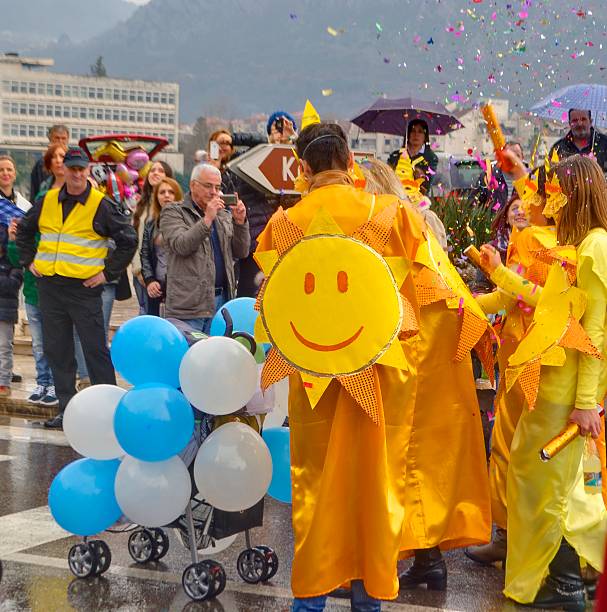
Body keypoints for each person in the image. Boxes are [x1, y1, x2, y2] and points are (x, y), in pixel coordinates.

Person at [255, 122, 424, 611]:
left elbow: (273, 302)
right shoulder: (392, 213)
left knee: (318, 485)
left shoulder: (282, 225)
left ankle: (309, 600)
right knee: (373, 488)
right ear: (351, 162)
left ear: (302, 169)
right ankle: (367, 599)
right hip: (379, 374)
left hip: (315, 381)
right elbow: (424, 285)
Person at [480, 154, 607, 609]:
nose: (547, 200)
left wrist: (587, 402)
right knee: (537, 482)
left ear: (575, 196)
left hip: (564, 394)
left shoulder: (594, 247)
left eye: (556, 192)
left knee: (548, 486)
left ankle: (567, 582)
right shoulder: (578, 245)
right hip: (551, 384)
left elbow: (594, 331)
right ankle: (562, 579)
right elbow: (550, 304)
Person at [362, 157, 492, 591]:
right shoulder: (415, 228)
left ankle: (391, 560)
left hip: (410, 358)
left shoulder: (384, 227)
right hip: (437, 360)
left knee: (398, 457)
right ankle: (426, 557)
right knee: (421, 460)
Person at [466, 156, 557, 566]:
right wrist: (462, 301)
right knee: (504, 449)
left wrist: (500, 273)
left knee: (534, 453)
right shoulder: (526, 241)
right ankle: (505, 534)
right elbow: (506, 299)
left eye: (533, 194)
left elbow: (542, 299)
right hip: (515, 360)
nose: (521, 203)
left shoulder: (563, 247)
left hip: (547, 364)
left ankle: (545, 546)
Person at [16, 147, 137, 429]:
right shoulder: (46, 201)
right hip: (50, 287)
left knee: (95, 350)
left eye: (82, 168)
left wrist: (107, 274)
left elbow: (128, 239)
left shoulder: (100, 203)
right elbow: (24, 229)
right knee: (58, 350)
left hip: (84, 289)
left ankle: (108, 411)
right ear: (64, 170)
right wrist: (28, 260)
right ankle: (66, 409)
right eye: (72, 168)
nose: (77, 173)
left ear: (87, 169)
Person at [159, 164, 249, 333]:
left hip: (222, 302)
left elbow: (241, 251)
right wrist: (207, 219)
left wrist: (240, 223)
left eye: (218, 187)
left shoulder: (223, 214)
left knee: (215, 357)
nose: (214, 192)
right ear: (193, 185)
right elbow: (181, 245)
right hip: (189, 307)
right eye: (208, 186)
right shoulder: (173, 211)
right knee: (189, 356)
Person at [132, 160, 173, 314]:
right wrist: (139, 270)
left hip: (164, 272)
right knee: (145, 312)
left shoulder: (174, 206)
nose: (155, 173)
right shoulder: (141, 205)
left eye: (160, 170)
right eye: (152, 170)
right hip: (140, 271)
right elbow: (134, 239)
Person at [140, 177, 183, 316]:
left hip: (181, 289)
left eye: (171, 192)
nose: (166, 195)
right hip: (156, 287)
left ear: (177, 195)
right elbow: (145, 254)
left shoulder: (187, 220)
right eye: (162, 192)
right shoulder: (151, 223)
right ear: (156, 196)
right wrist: (149, 280)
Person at [0, 224, 23, 397]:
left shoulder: (13, 261)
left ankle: (3, 382)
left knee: (4, 347)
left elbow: (13, 285)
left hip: (5, 312)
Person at [387, 119, 439, 193]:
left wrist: (420, 177)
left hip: (418, 200)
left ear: (425, 136)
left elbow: (427, 186)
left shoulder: (431, 158)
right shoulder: (395, 156)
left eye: (420, 131)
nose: (416, 134)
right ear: (408, 134)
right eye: (413, 131)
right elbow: (387, 180)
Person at [30, 125, 69, 201]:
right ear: (50, 138)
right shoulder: (41, 163)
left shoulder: (73, 160)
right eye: (57, 138)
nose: (60, 141)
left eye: (63, 138)